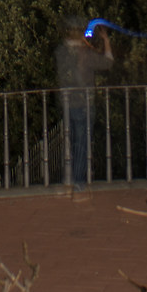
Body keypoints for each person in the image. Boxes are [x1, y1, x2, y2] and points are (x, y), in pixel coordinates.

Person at [56, 19, 117, 190]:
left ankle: (69, 177)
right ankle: (78, 180)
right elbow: (108, 63)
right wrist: (106, 41)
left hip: (66, 101)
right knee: (81, 142)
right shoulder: (85, 53)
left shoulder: (61, 51)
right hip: (83, 102)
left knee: (71, 140)